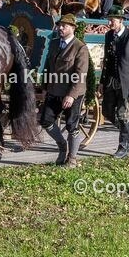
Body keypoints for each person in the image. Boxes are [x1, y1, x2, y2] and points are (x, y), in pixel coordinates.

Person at [40, 13, 89, 167]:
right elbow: (48, 67)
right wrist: (45, 87)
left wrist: (71, 96)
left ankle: (72, 159)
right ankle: (62, 146)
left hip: (72, 93)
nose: (60, 28)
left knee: (71, 125)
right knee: (46, 120)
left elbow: (80, 75)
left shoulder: (80, 47)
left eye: (64, 26)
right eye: (59, 25)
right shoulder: (54, 43)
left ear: (73, 28)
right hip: (54, 90)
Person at [101, 5, 129, 159]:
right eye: (109, 20)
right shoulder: (108, 36)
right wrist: (102, 81)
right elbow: (106, 61)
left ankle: (123, 147)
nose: (109, 23)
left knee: (122, 114)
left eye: (112, 20)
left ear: (120, 20)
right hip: (111, 81)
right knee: (106, 111)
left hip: (127, 83)